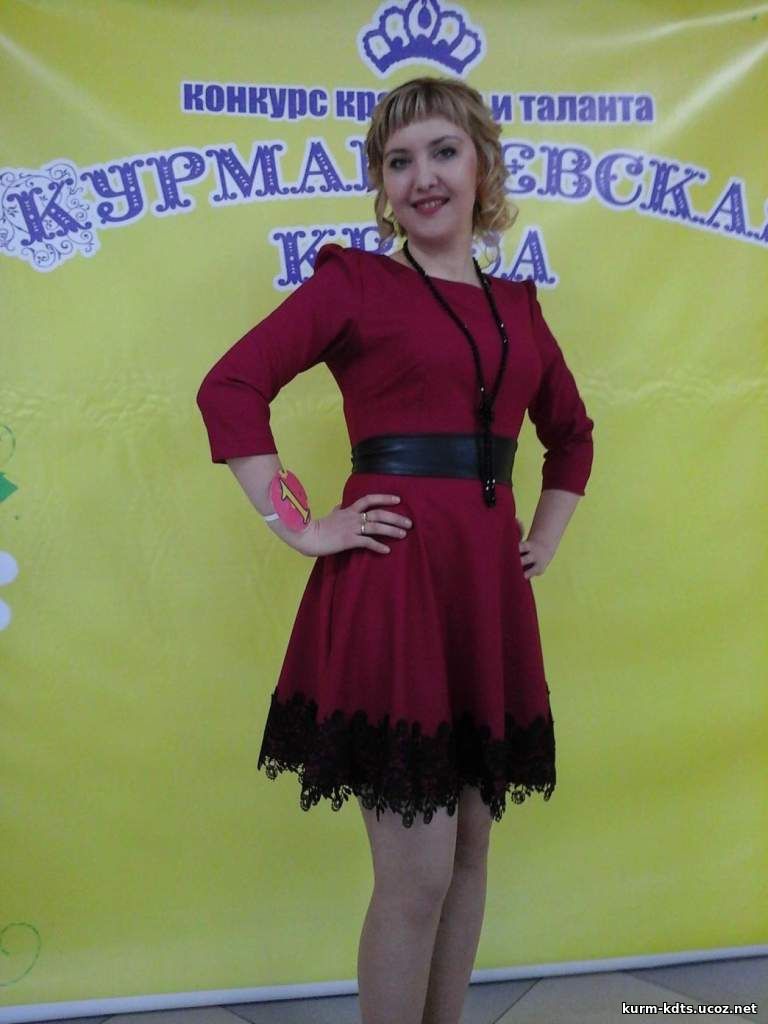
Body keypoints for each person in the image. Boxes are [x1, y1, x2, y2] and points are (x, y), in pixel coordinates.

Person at [196, 75, 594, 1024]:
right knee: (415, 876)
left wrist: (540, 538)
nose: (423, 177)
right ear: (380, 183)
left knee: (469, 856)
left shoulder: (520, 306)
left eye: (443, 152)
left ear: (482, 165)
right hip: (395, 587)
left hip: (483, 597)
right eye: (399, 160)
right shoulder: (356, 285)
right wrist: (299, 525)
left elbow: (572, 437)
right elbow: (230, 388)